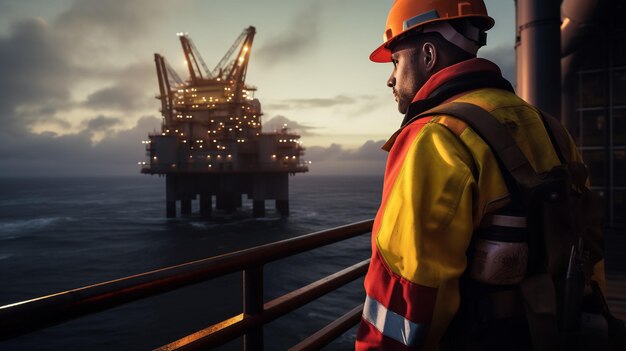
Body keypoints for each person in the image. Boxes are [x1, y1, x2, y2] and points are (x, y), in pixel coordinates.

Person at [355, 1, 606, 350]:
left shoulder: (436, 137)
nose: (390, 78)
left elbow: (408, 286)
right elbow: (587, 248)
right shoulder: (551, 129)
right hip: (559, 331)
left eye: (396, 61)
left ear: (428, 55)